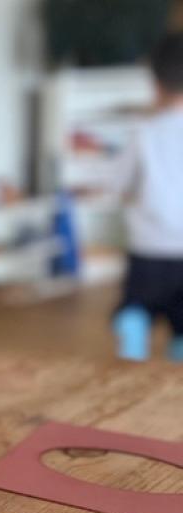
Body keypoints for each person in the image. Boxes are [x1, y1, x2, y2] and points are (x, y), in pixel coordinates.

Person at [112, 32, 183, 362]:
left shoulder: (143, 134)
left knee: (135, 309)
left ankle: (132, 357)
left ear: (155, 83)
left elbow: (119, 185)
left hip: (149, 249)